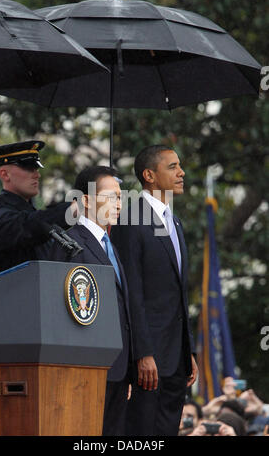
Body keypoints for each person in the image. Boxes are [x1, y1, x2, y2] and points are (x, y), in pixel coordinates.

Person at [111, 145, 198, 436]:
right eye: (172, 166)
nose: (181, 172)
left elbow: (177, 294)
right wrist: (143, 352)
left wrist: (189, 349)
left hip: (176, 357)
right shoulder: (131, 217)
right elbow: (131, 291)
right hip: (148, 360)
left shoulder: (174, 221)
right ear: (149, 175)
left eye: (179, 165)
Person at [50, 165, 132, 436]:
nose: (118, 204)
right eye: (111, 197)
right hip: (87, 369)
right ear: (85, 200)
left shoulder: (110, 244)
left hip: (118, 369)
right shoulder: (70, 243)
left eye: (121, 198)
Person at [0, 140, 74, 275]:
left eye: (36, 168)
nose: (37, 174)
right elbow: (31, 225)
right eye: (28, 168)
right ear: (5, 174)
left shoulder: (32, 214)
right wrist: (74, 209)